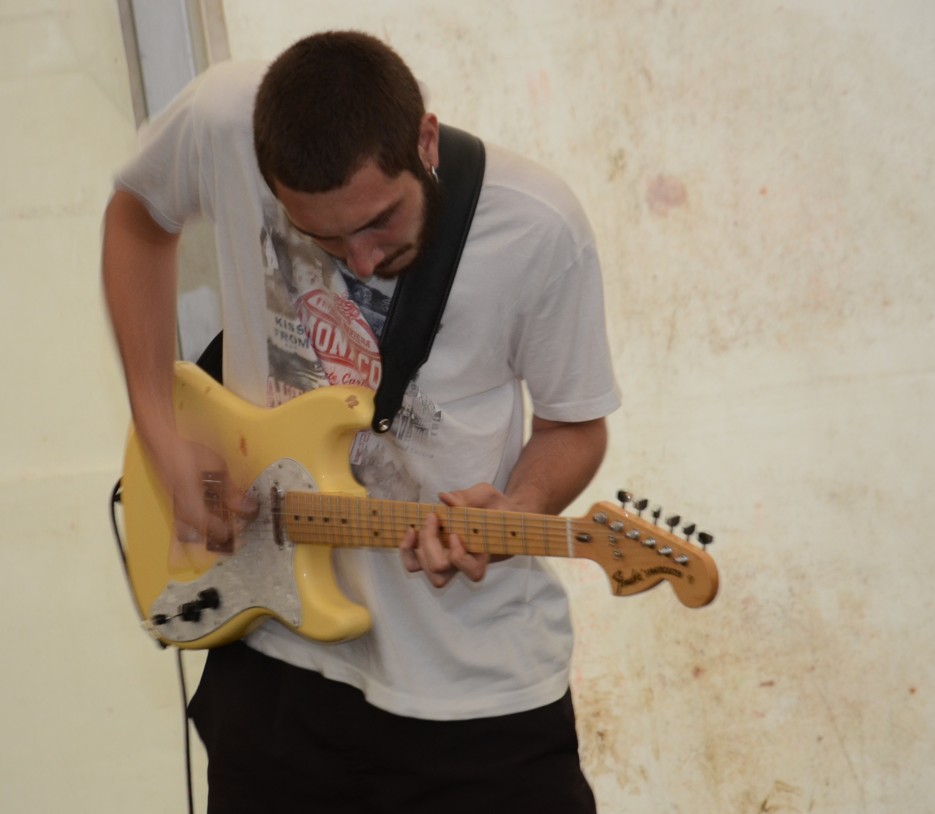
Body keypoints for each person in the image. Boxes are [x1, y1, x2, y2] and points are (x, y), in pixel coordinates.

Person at [102, 30, 620, 814]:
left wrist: (516, 510)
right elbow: (138, 214)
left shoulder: (536, 226)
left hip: (471, 686)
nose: (362, 260)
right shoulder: (220, 119)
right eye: (322, 236)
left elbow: (572, 428)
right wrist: (157, 430)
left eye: (379, 221)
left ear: (425, 140)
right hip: (271, 660)